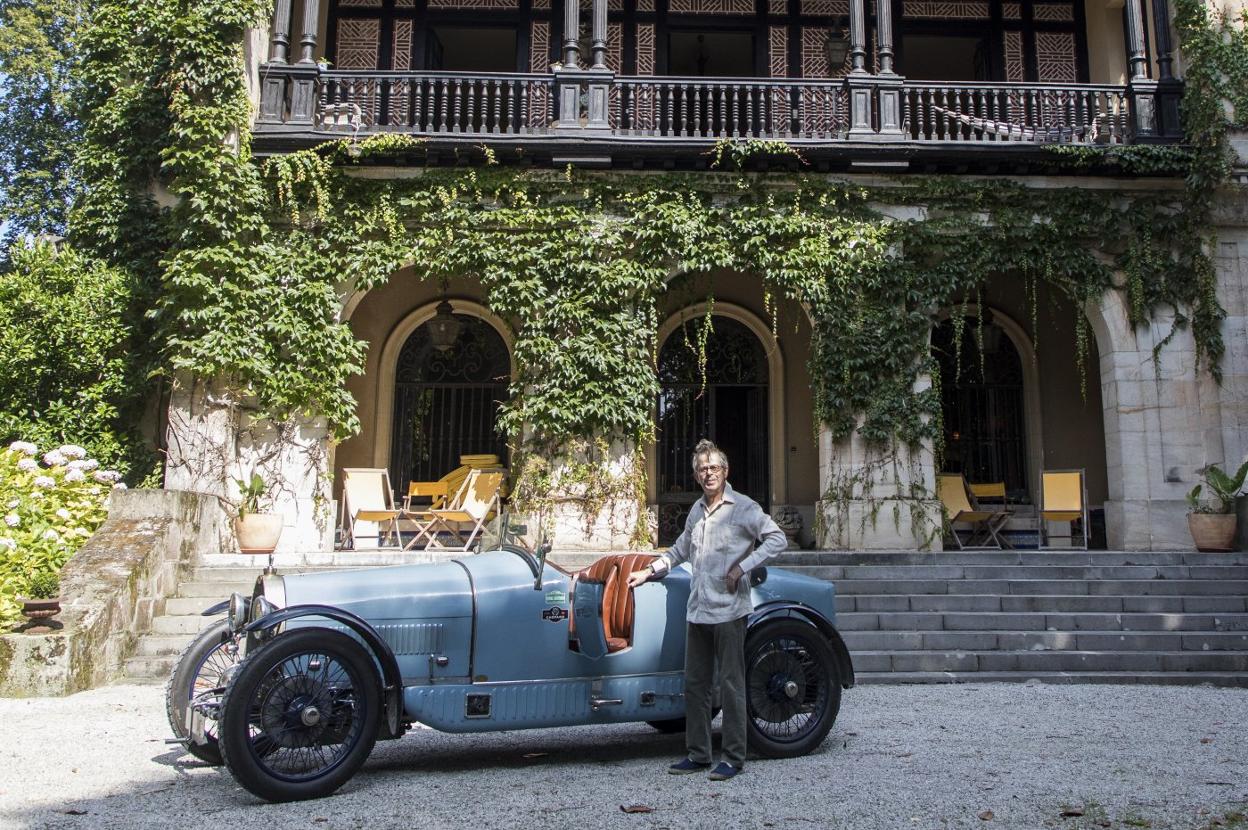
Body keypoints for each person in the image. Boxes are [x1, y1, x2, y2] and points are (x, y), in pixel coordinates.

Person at [626, 438, 787, 781]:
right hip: (698, 609)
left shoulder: (743, 507)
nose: (708, 473)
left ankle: (732, 757)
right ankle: (698, 754)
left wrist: (744, 566)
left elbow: (776, 538)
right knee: (696, 685)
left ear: (725, 471)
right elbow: (680, 550)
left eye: (713, 467)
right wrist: (649, 571)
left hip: (729, 611)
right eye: (702, 469)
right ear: (697, 476)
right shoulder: (697, 510)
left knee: (731, 686)